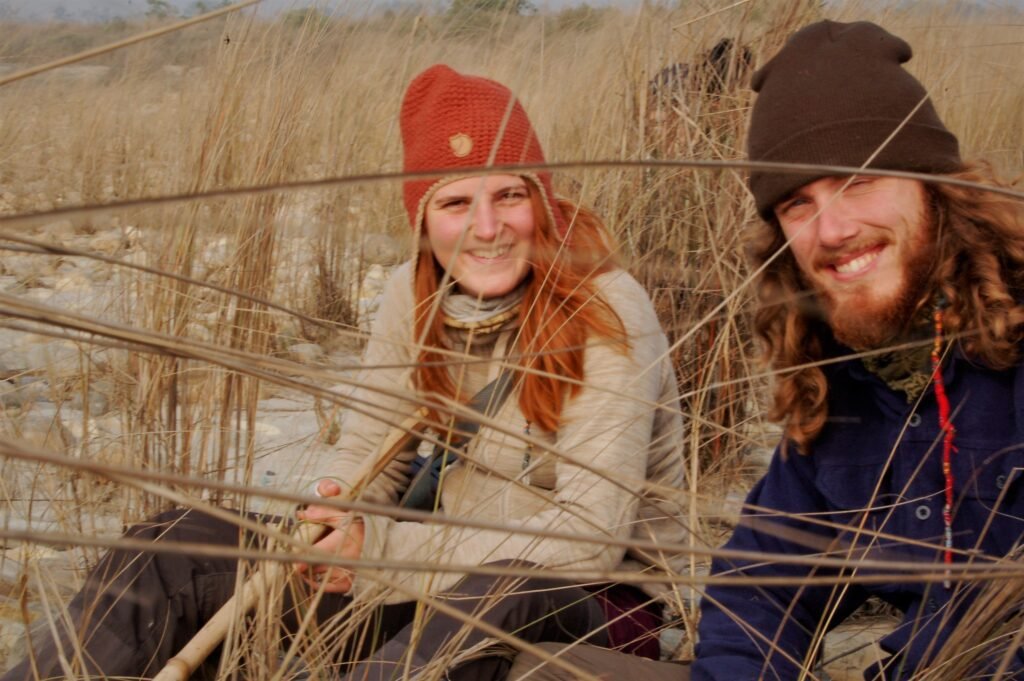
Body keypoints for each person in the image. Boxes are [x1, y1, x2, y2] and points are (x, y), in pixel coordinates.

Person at [2, 65, 688, 681]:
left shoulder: (606, 304)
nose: (488, 227)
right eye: (455, 203)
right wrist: (332, 517)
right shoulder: (410, 295)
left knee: (492, 591)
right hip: (431, 575)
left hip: (590, 602)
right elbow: (372, 455)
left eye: (509, 195)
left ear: (540, 197)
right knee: (175, 546)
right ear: (423, 219)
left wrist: (381, 545)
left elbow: (589, 534)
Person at [509, 18, 1024, 681]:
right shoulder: (840, 378)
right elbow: (758, 588)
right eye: (797, 203)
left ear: (934, 185)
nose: (832, 229)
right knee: (529, 665)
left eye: (858, 180)